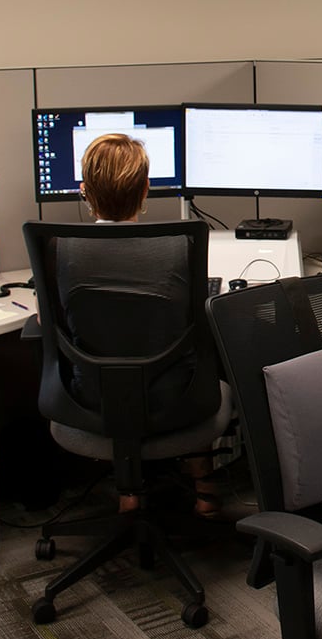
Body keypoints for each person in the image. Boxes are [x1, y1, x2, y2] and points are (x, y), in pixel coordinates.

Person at [64, 132, 224, 518]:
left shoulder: (58, 248)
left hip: (90, 399)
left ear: (85, 192)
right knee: (200, 362)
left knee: (117, 362)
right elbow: (201, 319)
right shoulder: (179, 247)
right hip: (175, 400)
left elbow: (46, 320)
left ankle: (129, 494)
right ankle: (205, 487)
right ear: (146, 189)